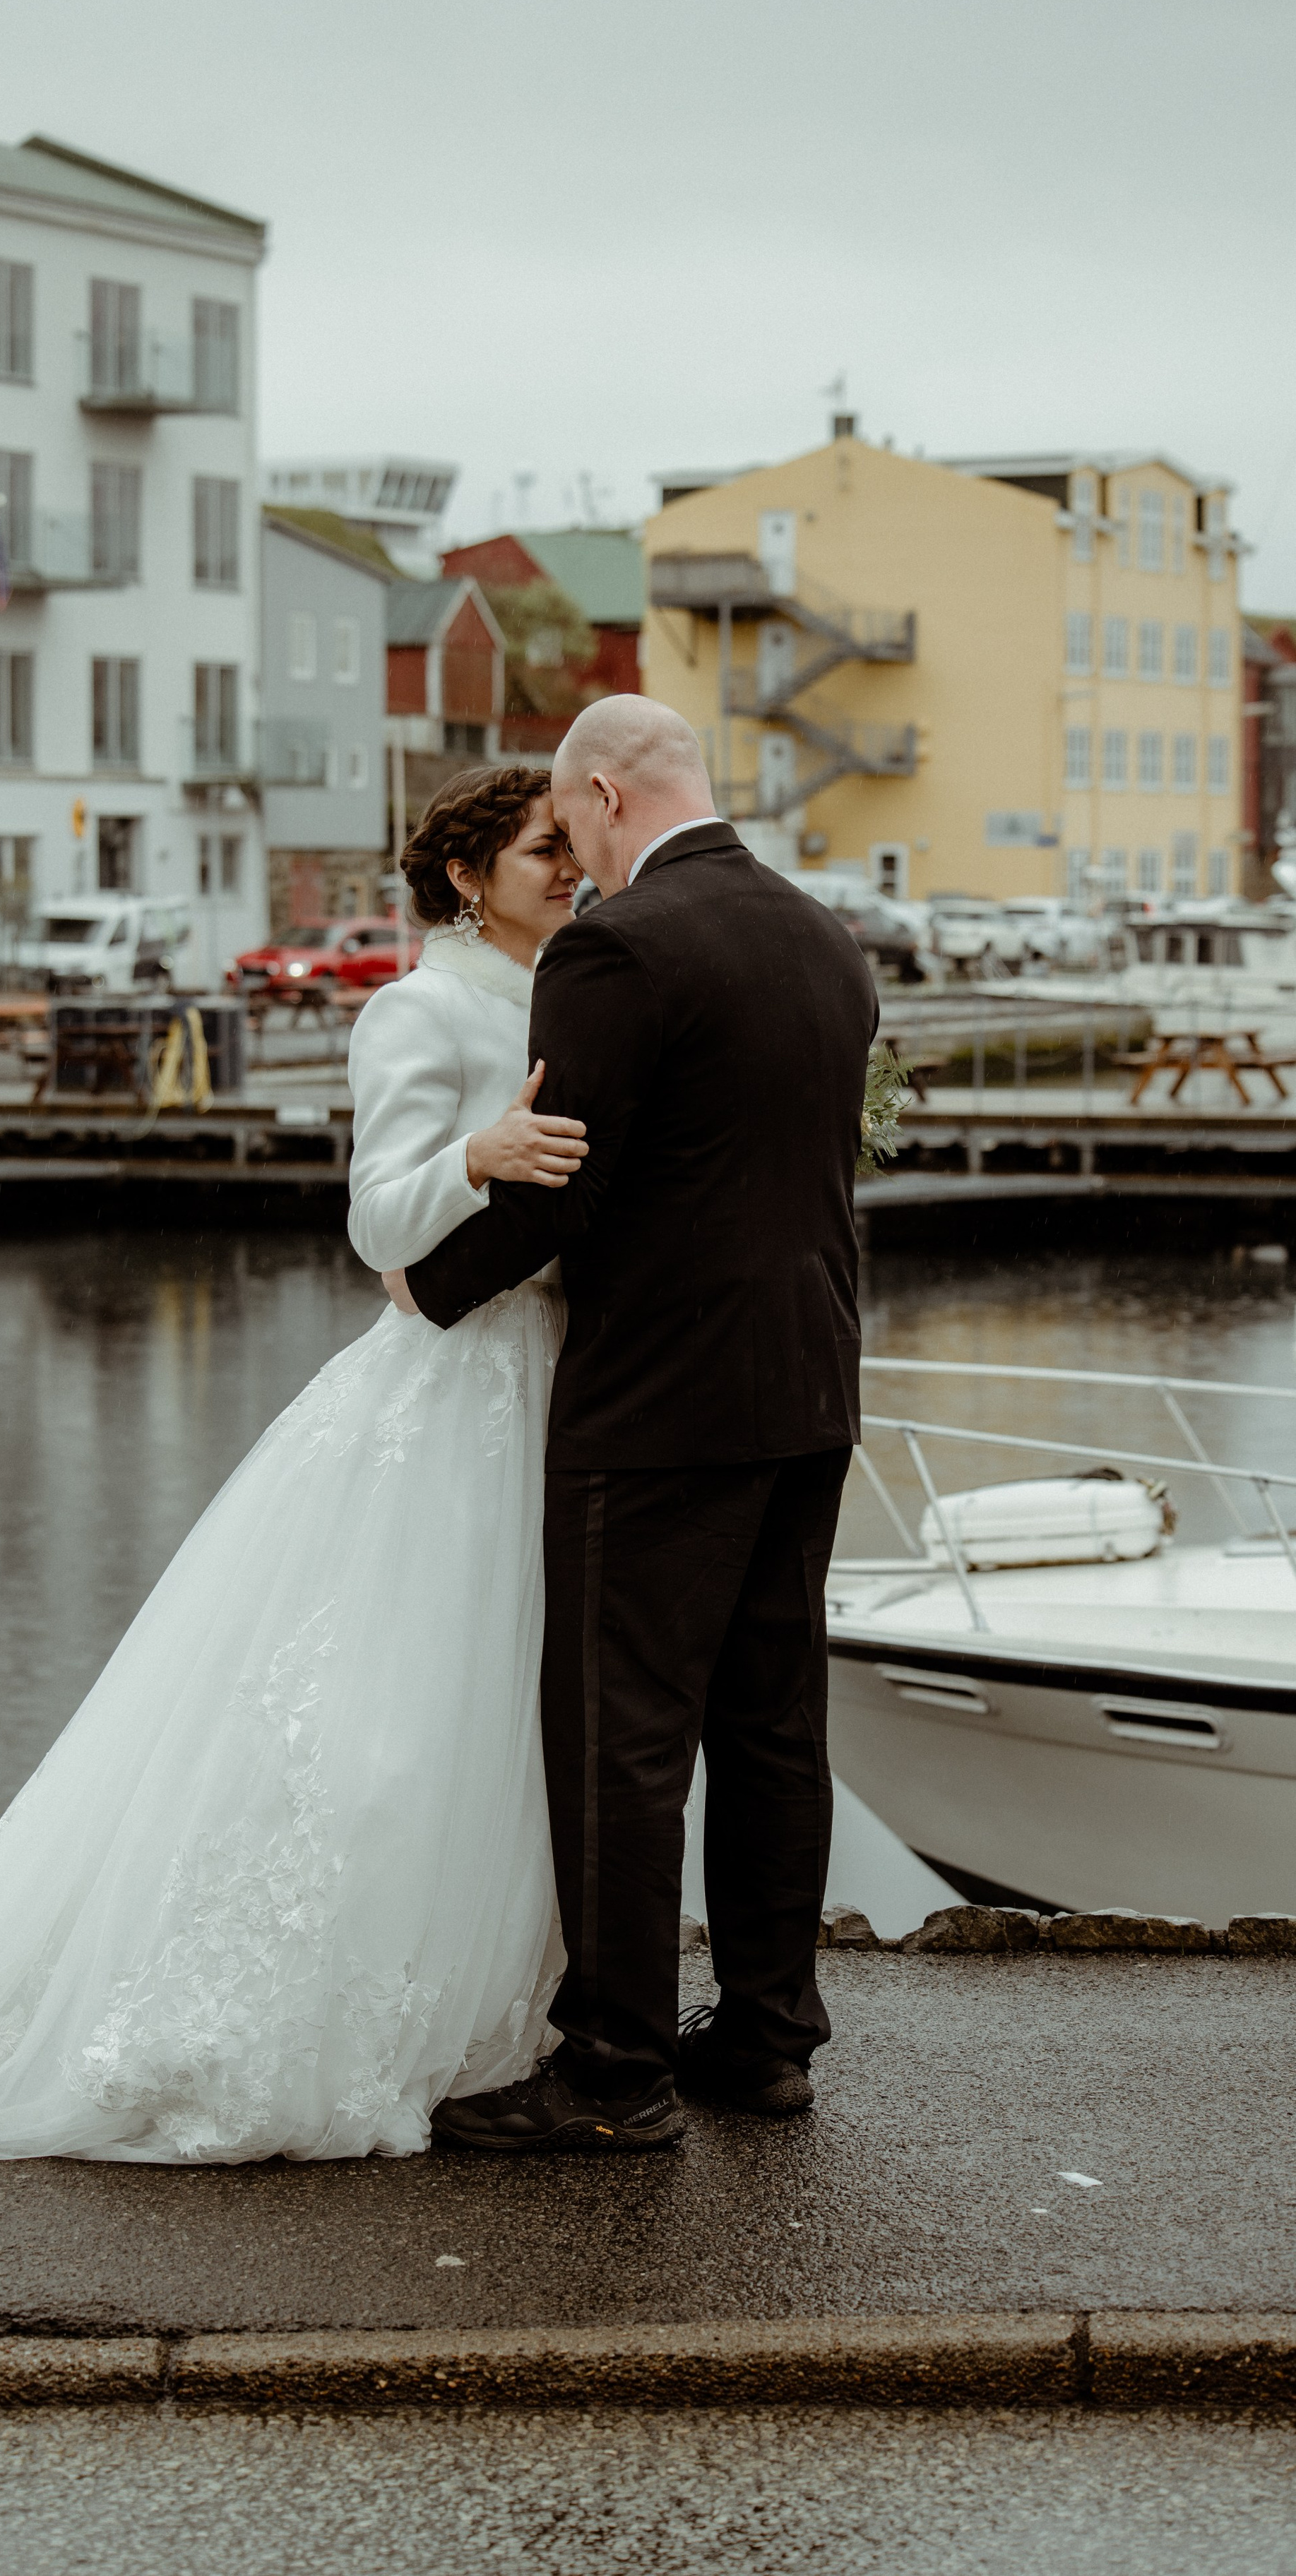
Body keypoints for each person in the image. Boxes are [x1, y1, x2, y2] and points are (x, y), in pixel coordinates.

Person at [0, 764, 593, 2166]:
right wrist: (477, 1157)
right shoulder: (415, 1009)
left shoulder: (559, 995)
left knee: (496, 1706)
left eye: (571, 845)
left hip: (544, 1379)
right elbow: (378, 1223)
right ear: (464, 877)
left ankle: (494, 2004)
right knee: (392, 1715)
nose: (570, 867)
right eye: (545, 848)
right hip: (449, 1395)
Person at [386, 695, 878, 2149]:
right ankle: (769, 2037)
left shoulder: (619, 947)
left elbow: (569, 1181)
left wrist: (429, 1286)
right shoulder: (822, 936)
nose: (577, 861)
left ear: (603, 794)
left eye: (572, 823)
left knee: (622, 1735)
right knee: (773, 1721)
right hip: (808, 1383)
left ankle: (612, 2071)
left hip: (659, 1397)